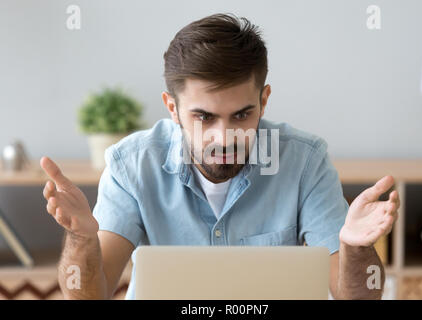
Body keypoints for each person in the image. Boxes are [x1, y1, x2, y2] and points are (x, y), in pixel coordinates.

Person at [40, 13, 400, 300]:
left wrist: (355, 248)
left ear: (264, 100)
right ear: (173, 108)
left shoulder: (304, 161)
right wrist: (82, 240)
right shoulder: (132, 164)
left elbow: (358, 298)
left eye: (242, 114)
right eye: (204, 117)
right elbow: (90, 295)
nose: (224, 137)